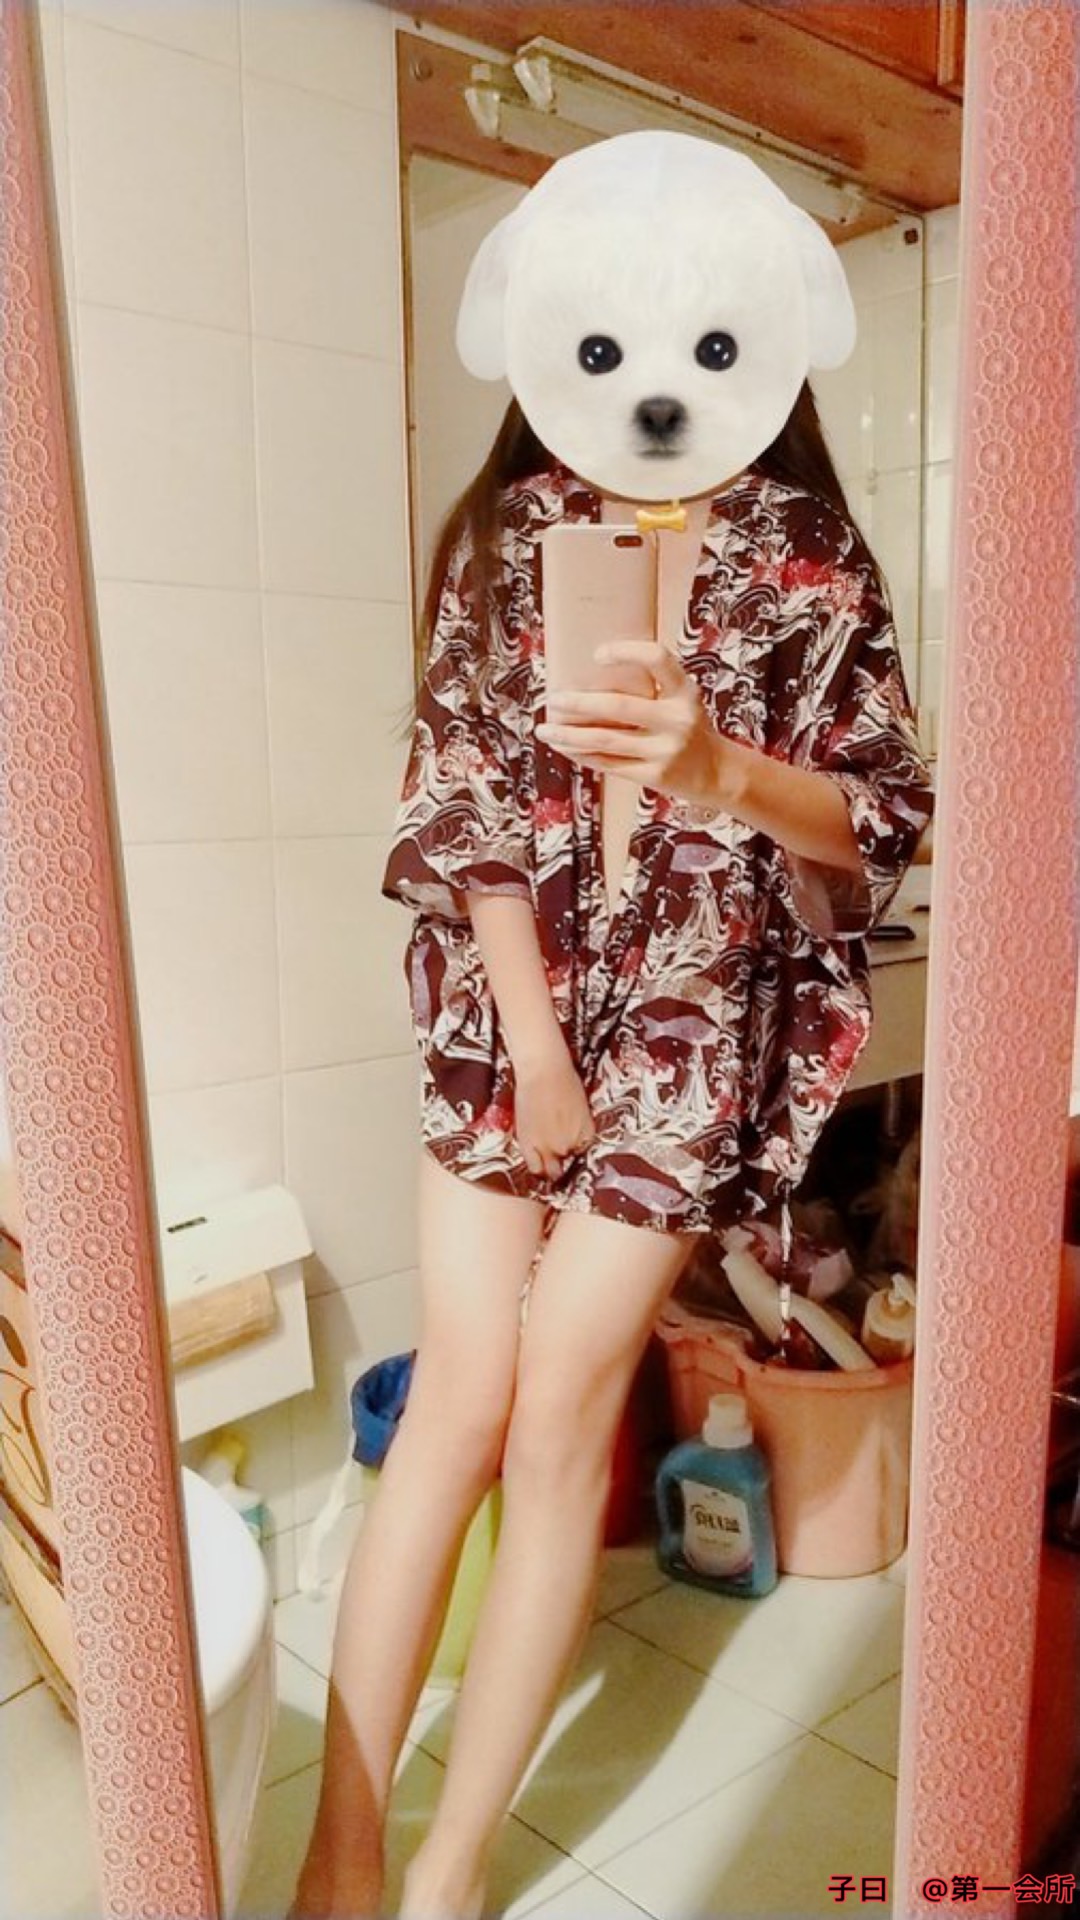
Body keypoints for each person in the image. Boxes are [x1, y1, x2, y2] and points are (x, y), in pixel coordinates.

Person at [287, 133, 935, 1920]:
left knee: (564, 1412)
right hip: (508, 1021)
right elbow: (465, 804)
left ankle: (448, 1868)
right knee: (458, 1402)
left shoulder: (810, 561)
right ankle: (342, 1857)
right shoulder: (510, 537)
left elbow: (882, 814)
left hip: (691, 1042)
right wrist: (535, 1044)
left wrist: (722, 769)